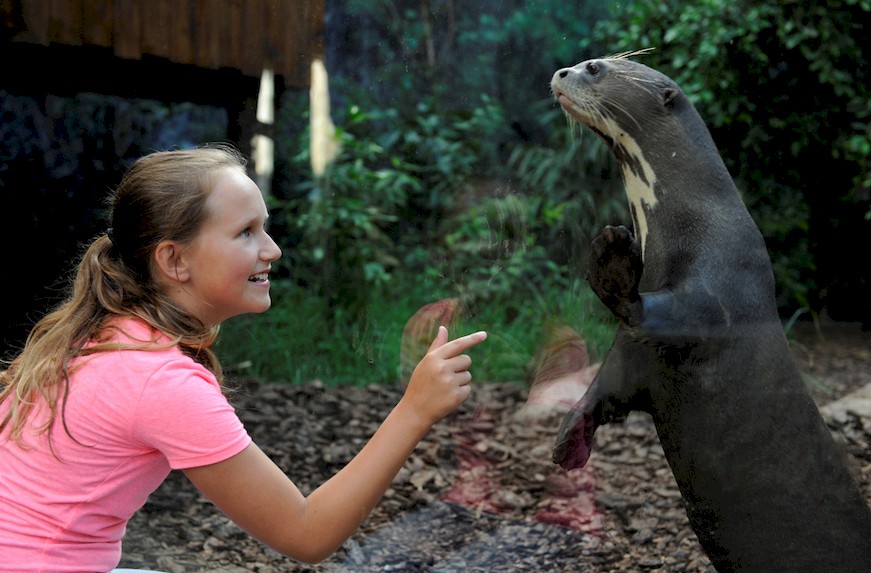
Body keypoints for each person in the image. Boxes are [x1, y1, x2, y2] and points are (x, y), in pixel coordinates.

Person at [0, 144, 487, 572]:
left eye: (265, 229)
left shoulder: (105, 334)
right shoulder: (159, 379)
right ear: (174, 261)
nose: (271, 250)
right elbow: (307, 533)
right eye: (246, 233)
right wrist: (415, 409)